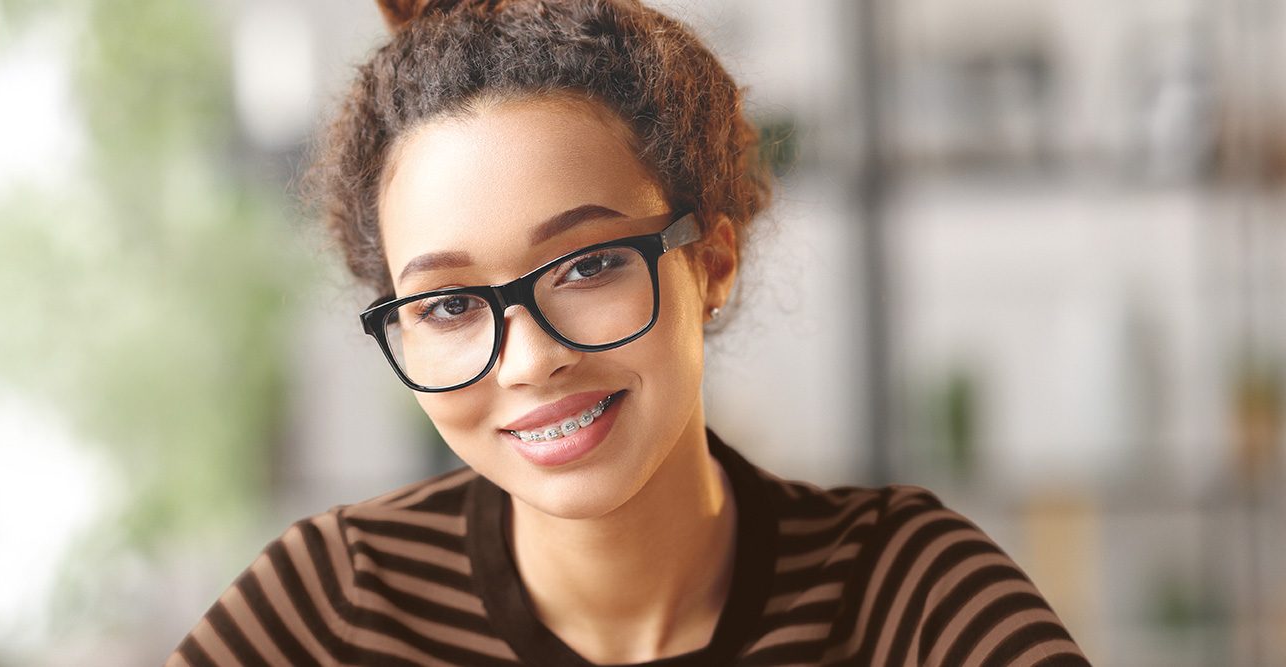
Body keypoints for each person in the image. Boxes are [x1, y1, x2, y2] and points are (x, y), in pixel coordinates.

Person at [171, 0, 1089, 664]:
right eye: (449, 305)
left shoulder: (908, 601)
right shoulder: (337, 605)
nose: (531, 358)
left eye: (587, 265)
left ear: (712, 263)